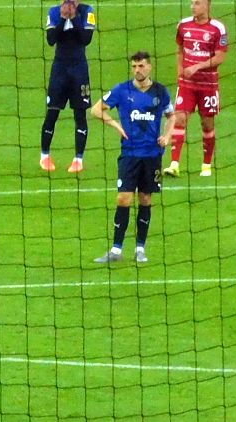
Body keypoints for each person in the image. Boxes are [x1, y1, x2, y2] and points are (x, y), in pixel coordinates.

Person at [90, 51, 170, 264]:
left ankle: (140, 248)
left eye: (141, 66)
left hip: (152, 155)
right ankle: (116, 250)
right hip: (129, 155)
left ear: (149, 67)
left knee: (145, 199)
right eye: (134, 66)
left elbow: (172, 115)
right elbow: (95, 110)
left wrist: (167, 135)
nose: (137, 70)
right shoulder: (122, 90)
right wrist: (115, 124)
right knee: (123, 198)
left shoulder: (161, 92)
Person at [165, 0, 228, 177]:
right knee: (179, 119)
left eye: (197, 3)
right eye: (192, 3)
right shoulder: (183, 25)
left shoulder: (217, 28)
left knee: (207, 124)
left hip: (208, 85)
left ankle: (206, 166)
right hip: (187, 85)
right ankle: (174, 164)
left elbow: (220, 57)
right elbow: (180, 49)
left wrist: (196, 67)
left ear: (208, 5)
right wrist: (180, 72)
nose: (193, 6)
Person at [39, 0, 97, 174]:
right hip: (59, 70)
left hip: (79, 70)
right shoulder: (55, 12)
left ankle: (78, 159)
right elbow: (51, 40)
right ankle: (44, 156)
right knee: (52, 112)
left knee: (80, 114)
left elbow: (86, 39)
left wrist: (75, 18)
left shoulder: (88, 11)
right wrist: (64, 19)